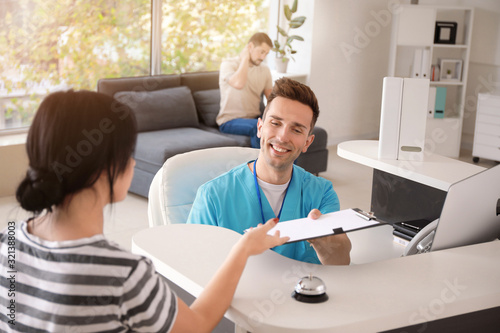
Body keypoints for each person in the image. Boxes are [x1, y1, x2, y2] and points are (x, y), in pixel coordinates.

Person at [0, 90, 288, 332]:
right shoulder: (122, 273)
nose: (134, 163)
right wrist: (243, 249)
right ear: (103, 169)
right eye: (129, 152)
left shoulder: (7, 242)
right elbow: (197, 325)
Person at [188, 78, 352, 265]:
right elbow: (192, 266)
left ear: (307, 142)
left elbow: (340, 263)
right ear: (260, 127)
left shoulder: (322, 194)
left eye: (296, 130)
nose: (282, 137)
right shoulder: (212, 196)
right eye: (275, 123)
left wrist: (323, 241)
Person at [217, 32, 274, 148]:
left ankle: (289, 167)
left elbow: (272, 99)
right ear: (250, 47)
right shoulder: (228, 64)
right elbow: (239, 83)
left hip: (254, 118)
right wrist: (244, 59)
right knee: (258, 127)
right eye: (261, 52)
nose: (263, 57)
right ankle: (261, 166)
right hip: (229, 121)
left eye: (266, 54)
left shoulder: (265, 70)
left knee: (286, 131)